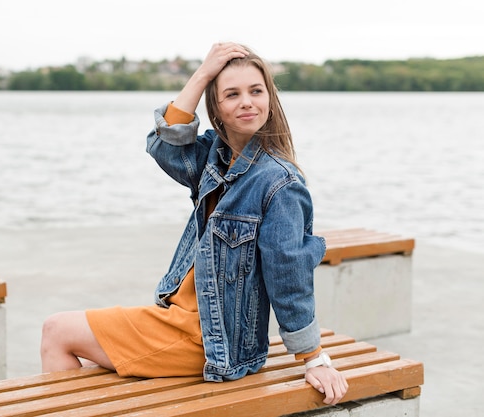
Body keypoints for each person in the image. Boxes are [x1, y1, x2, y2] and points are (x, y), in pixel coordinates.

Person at [40, 42, 348, 405]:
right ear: (215, 107)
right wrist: (202, 74)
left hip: (209, 341)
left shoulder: (279, 184)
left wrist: (313, 358)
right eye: (231, 94)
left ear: (270, 98)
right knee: (66, 340)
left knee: (57, 331)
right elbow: (164, 143)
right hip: (180, 320)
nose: (247, 102)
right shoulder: (212, 159)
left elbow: (289, 274)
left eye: (256, 91)